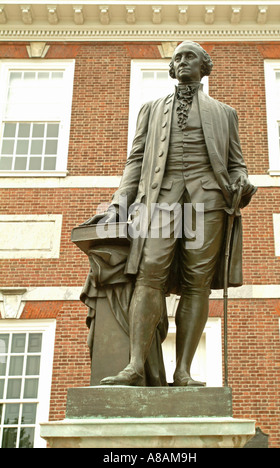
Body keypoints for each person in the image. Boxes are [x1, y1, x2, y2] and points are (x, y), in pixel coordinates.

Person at [86, 41, 256, 386]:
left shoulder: (225, 113)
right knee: (149, 274)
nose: (181, 62)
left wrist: (242, 183)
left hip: (205, 204)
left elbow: (236, 165)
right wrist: (121, 200)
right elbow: (135, 161)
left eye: (189, 56)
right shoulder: (151, 109)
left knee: (197, 284)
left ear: (204, 66)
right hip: (160, 202)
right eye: (176, 57)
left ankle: (183, 372)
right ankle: (134, 365)